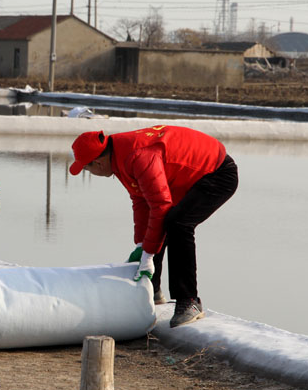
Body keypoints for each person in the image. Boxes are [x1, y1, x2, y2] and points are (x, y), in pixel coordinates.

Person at [68, 125, 238, 328]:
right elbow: (141, 201)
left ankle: (189, 301)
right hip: (185, 176)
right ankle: (152, 291)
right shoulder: (118, 157)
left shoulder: (137, 157)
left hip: (217, 173)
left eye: (86, 169)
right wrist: (141, 245)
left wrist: (148, 255)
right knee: (160, 223)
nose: (89, 172)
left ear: (98, 162)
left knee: (177, 223)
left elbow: (159, 205)